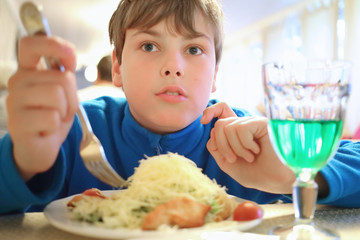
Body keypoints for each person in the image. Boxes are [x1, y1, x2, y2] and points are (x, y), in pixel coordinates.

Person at [1, 0, 360, 214]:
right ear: (119, 67)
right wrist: (24, 163)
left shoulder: (244, 140)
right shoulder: (76, 133)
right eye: (149, 46)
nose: (174, 66)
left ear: (215, 73)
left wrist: (293, 170)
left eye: (193, 50)